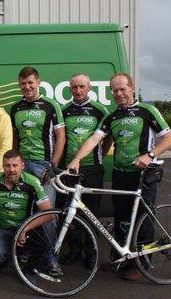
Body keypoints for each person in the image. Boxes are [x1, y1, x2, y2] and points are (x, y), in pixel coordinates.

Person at [68, 72, 171, 280]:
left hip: (143, 174)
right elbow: (95, 139)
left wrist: (149, 155)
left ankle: (143, 264)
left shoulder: (147, 111)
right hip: (120, 173)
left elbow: (168, 138)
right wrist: (77, 159)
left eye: (122, 89)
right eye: (114, 90)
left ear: (132, 88)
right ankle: (122, 259)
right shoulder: (112, 116)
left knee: (144, 218)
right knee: (122, 218)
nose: (118, 93)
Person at [0, 149, 52, 268]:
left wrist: (24, 228)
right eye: (7, 166)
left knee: (49, 226)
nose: (11, 170)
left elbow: (49, 213)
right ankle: (8, 253)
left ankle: (32, 256)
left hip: (26, 229)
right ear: (3, 166)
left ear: (22, 166)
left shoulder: (32, 182)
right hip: (2, 228)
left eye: (15, 165)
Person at [9, 66, 65, 206]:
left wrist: (53, 165)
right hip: (21, 164)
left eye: (30, 82)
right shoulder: (16, 107)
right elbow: (15, 138)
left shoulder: (51, 105)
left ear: (38, 82)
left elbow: (61, 137)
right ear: (19, 85)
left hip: (43, 164)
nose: (27, 87)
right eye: (23, 83)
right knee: (24, 207)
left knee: (46, 210)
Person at [61, 73, 110, 213]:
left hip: (92, 167)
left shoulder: (100, 110)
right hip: (69, 167)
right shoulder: (63, 110)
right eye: (74, 87)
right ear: (70, 89)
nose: (78, 90)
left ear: (89, 87)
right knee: (69, 210)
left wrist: (101, 155)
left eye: (82, 86)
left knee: (91, 210)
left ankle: (91, 235)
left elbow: (107, 138)